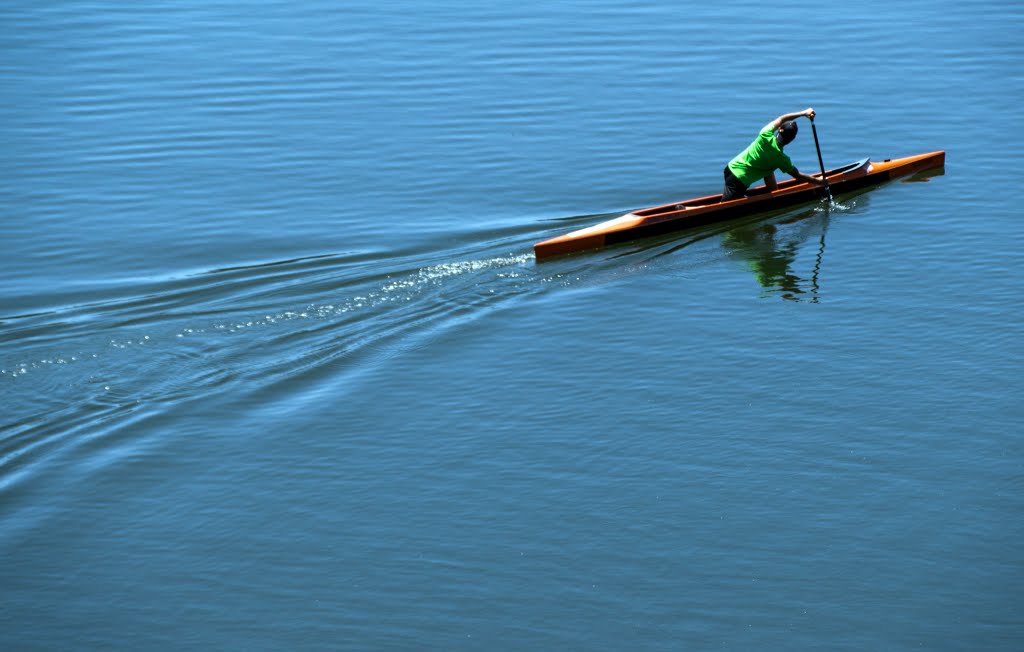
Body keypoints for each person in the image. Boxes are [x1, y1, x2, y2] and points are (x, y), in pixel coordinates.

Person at [721, 108, 826, 202]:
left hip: (730, 168)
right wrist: (818, 181)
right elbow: (798, 176)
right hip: (738, 180)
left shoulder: (765, 134)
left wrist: (803, 113)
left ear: (779, 130)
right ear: (791, 140)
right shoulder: (781, 159)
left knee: (768, 167)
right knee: (723, 207)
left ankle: (774, 192)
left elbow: (781, 119)